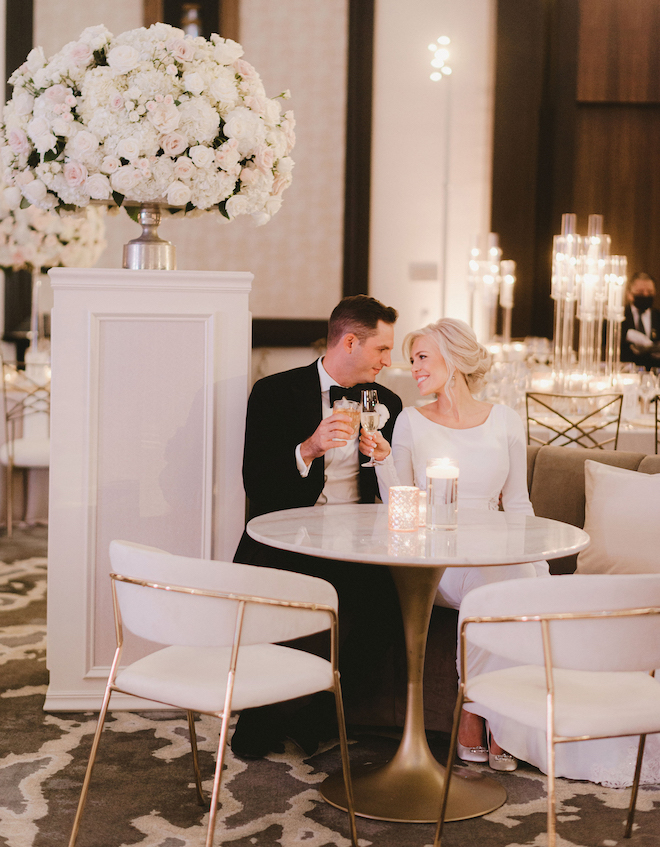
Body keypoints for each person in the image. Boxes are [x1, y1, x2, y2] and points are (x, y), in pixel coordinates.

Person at [362, 317, 549, 772]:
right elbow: (398, 504)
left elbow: (519, 503)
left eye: (422, 357)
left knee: (512, 577)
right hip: (438, 559)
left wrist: (535, 561)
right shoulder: (409, 421)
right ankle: (477, 711)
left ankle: (487, 711)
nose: (415, 369)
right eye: (412, 361)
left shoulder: (505, 419)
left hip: (497, 553)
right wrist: (384, 460)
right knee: (496, 581)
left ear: (454, 357)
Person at [232, 294, 404, 758]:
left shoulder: (385, 401)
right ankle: (260, 721)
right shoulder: (273, 392)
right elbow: (257, 483)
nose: (390, 361)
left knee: (388, 612)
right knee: (297, 608)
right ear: (350, 342)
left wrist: (383, 461)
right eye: (382, 350)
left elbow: (393, 490)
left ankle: (315, 718)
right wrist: (307, 449)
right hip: (288, 535)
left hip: (360, 541)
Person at [620, 272, 660, 370]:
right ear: (629, 294)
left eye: (650, 292)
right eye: (640, 292)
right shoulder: (620, 317)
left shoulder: (658, 316)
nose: (645, 295)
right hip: (626, 373)